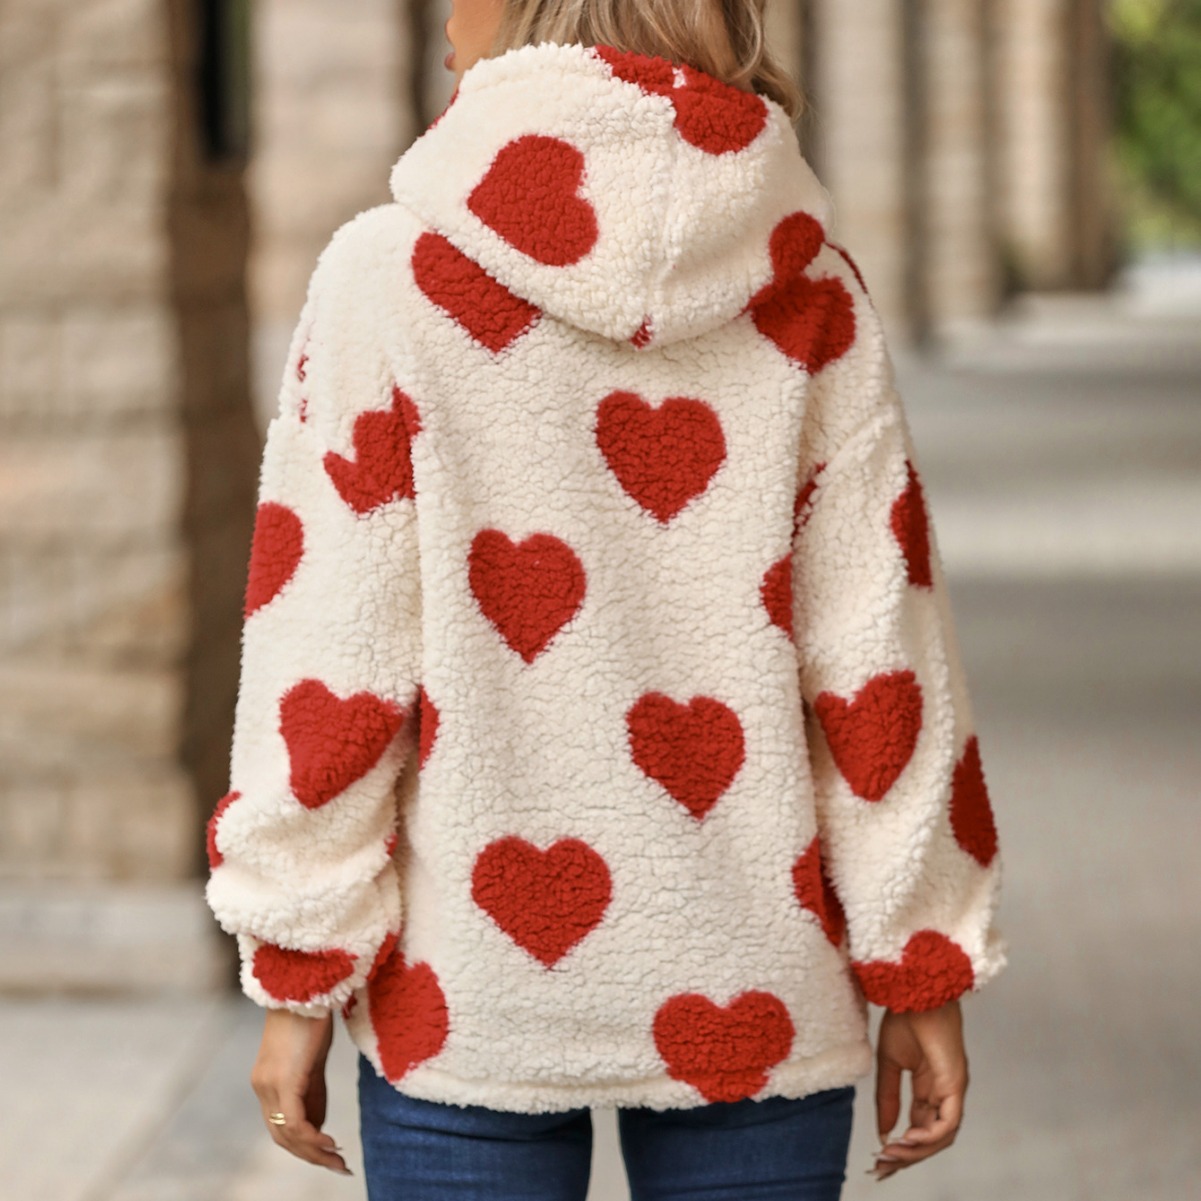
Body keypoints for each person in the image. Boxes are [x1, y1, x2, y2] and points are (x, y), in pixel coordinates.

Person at [204, 1, 1010, 1197]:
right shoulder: (808, 290)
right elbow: (879, 660)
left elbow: (330, 648)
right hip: (758, 977)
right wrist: (919, 955)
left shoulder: (386, 279)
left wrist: (298, 964)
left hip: (465, 988)